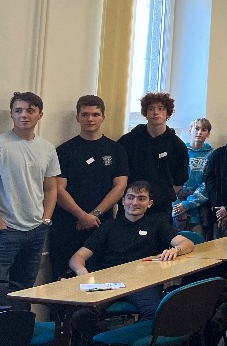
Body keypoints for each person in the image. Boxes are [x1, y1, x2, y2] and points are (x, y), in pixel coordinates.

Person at [70, 181, 194, 322]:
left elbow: (187, 243)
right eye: (130, 197)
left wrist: (176, 250)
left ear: (149, 203)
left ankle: (132, 337)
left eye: (141, 198)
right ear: (123, 201)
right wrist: (81, 272)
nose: (135, 203)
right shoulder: (108, 226)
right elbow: (77, 258)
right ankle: (108, 337)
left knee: (155, 313)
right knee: (80, 315)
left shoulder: (158, 224)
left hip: (143, 282)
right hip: (110, 282)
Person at [51, 95, 128, 281]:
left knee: (99, 280)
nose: (90, 119)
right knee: (64, 281)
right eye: (85, 114)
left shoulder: (116, 149)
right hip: (67, 225)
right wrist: (82, 216)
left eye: (95, 114)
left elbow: (120, 187)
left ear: (103, 117)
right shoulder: (64, 151)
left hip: (102, 225)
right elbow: (58, 190)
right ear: (77, 117)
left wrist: (94, 214)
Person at [0, 92, 60, 295]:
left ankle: (23, 318)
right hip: (5, 230)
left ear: (40, 114)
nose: (24, 115)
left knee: (26, 288)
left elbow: (51, 188)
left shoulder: (47, 148)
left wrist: (46, 220)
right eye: (18, 110)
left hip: (36, 230)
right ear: (11, 114)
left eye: (30, 110)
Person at [118, 92, 189, 221]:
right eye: (151, 109)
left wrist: (161, 196)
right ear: (145, 112)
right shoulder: (127, 141)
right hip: (130, 207)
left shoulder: (178, 146)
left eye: (161, 108)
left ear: (168, 113)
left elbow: (179, 181)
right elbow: (119, 176)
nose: (156, 112)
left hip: (161, 210)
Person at [172, 118, 213, 236]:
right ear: (190, 131)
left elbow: (209, 183)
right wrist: (179, 204)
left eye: (204, 130)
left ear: (208, 134)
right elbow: (171, 179)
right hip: (177, 203)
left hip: (198, 207)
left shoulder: (211, 154)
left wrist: (188, 204)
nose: (199, 132)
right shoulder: (180, 151)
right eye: (197, 128)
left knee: (198, 240)